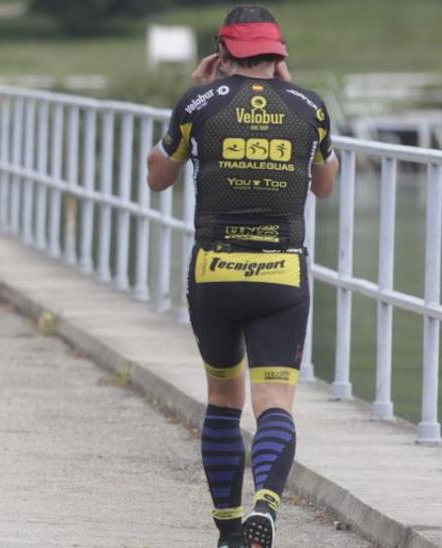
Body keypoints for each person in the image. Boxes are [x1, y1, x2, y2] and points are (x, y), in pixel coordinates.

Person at [147, 6, 338, 548]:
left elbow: (157, 178)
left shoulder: (198, 103)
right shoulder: (309, 107)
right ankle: (268, 506)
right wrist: (293, 95)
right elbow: (325, 185)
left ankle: (230, 532)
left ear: (222, 53)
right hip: (281, 271)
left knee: (224, 401)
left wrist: (203, 92)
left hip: (216, 271)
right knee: (274, 403)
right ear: (278, 57)